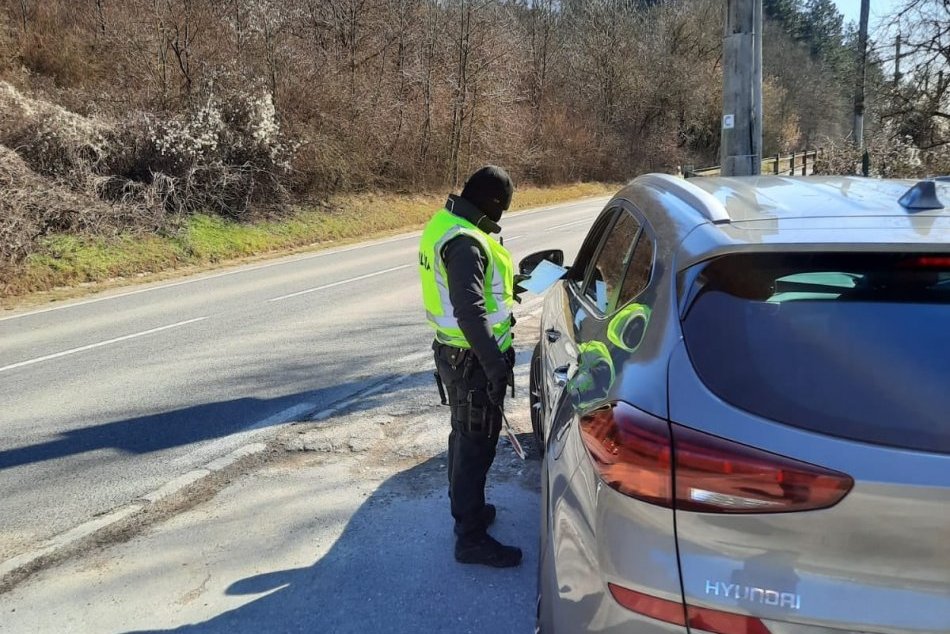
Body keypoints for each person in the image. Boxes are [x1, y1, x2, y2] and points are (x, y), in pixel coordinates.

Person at [418, 165, 522, 568]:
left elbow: (472, 293)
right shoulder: (466, 243)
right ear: (492, 203)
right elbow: (470, 311)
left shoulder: (447, 224)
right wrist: (495, 367)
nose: (501, 217)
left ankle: (468, 509)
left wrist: (514, 285)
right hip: (472, 359)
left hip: (456, 355)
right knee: (476, 445)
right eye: (502, 208)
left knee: (464, 437)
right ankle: (470, 538)